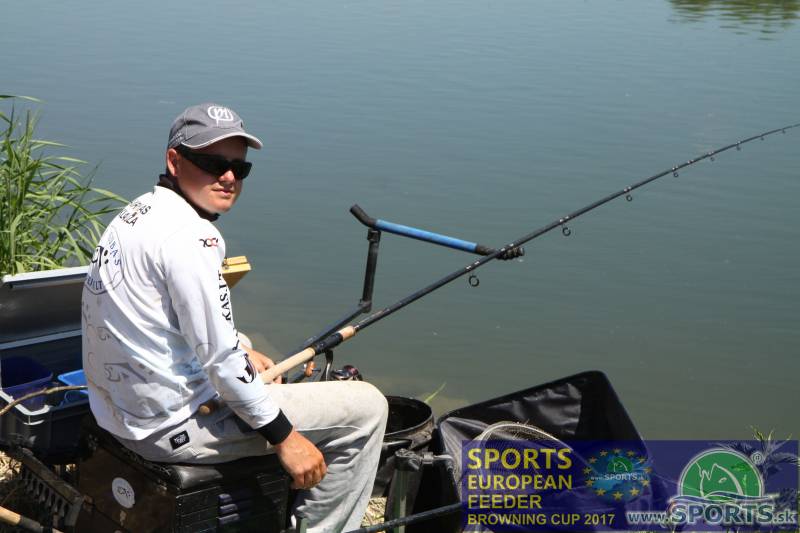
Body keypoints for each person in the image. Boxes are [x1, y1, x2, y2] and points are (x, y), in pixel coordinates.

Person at [82, 102, 388, 532]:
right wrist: (285, 437)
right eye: (212, 164)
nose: (228, 177)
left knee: (251, 362)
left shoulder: (137, 214)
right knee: (368, 407)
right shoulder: (194, 238)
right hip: (172, 428)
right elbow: (222, 360)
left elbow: (166, 319)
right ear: (174, 160)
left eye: (239, 169)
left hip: (118, 413)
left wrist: (241, 347)